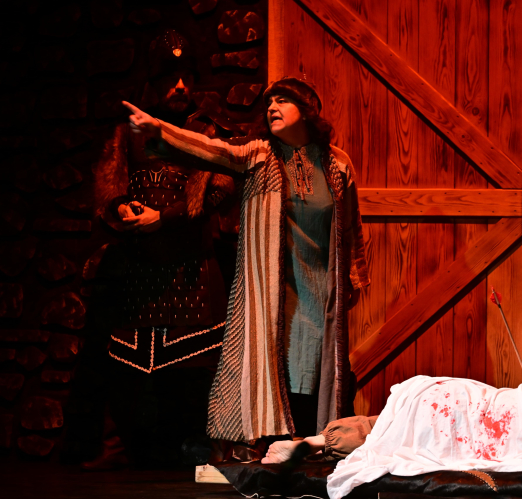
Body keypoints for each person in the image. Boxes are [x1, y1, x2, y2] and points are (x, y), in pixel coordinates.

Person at [122, 76, 370, 444]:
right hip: (275, 288)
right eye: (269, 102)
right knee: (278, 367)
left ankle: (323, 450)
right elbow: (210, 150)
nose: (272, 108)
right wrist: (160, 129)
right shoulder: (258, 155)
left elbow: (351, 227)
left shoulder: (337, 163)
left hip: (322, 288)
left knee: (326, 372)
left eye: (283, 101)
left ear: (307, 111)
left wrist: (354, 277)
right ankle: (275, 451)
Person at [86, 29, 238, 469]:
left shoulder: (207, 132)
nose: (181, 86)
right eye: (171, 77)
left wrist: (165, 217)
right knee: (122, 361)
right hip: (139, 265)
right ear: (154, 81)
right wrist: (122, 208)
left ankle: (210, 448)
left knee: (203, 364)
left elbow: (221, 189)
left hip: (192, 264)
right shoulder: (126, 133)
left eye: (187, 77)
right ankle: (117, 447)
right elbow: (108, 187)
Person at [259, 375, 522, 499]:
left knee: (386, 425)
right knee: (391, 440)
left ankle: (317, 441)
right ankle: (317, 444)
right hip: (469, 433)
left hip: (464, 400)